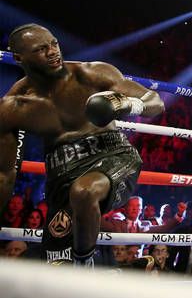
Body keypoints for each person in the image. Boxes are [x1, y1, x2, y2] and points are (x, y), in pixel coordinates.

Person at [0, 24, 163, 266]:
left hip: (112, 156)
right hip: (61, 172)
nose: (53, 52)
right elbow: (5, 175)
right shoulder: (14, 106)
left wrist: (126, 104)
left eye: (54, 43)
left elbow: (155, 102)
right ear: (19, 58)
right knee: (57, 263)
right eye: (41, 49)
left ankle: (85, 263)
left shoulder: (92, 74)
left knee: (84, 191)